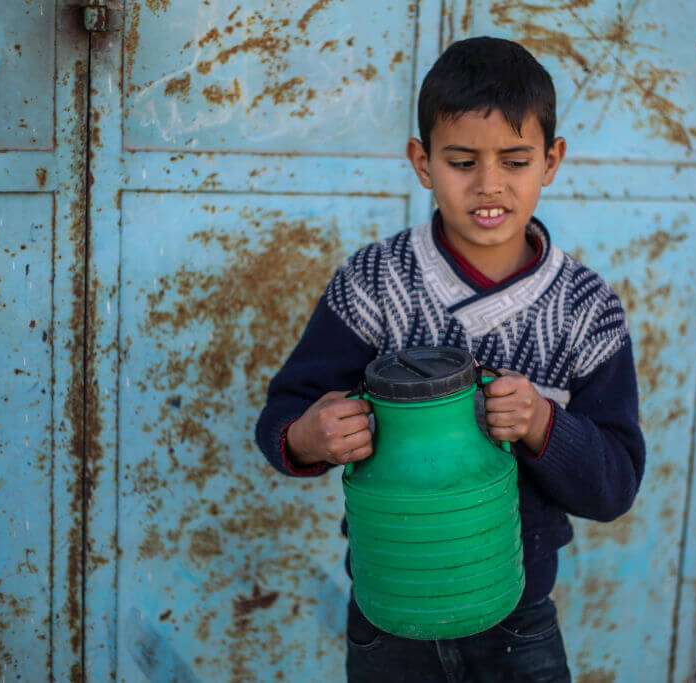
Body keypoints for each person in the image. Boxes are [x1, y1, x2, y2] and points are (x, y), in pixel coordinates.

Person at [255, 36, 645, 682]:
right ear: (421, 161)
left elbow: (615, 484)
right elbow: (285, 417)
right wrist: (310, 433)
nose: (489, 186)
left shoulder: (585, 311)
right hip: (388, 617)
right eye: (462, 161)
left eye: (515, 161)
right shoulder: (375, 283)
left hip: (519, 627)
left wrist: (543, 424)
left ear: (552, 161)